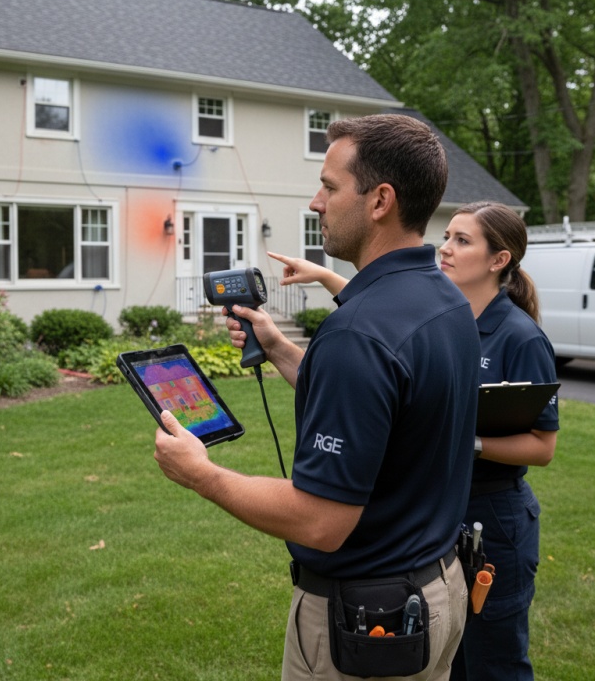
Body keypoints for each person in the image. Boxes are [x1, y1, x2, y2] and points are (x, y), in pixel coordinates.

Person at [153, 114, 481, 681]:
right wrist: (279, 348)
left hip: (368, 623)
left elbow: (321, 521)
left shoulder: (359, 333)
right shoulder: (443, 300)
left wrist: (200, 474)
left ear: (380, 200)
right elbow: (381, 414)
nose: (315, 202)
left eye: (329, 187)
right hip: (437, 587)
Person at [273, 201, 559, 680]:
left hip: (493, 514)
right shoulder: (451, 312)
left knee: (492, 660)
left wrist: (463, 440)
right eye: (447, 236)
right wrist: (324, 278)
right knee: (443, 651)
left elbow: (544, 447)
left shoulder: (519, 337)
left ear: (499, 260)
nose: (444, 249)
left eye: (462, 241)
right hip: (441, 511)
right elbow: (389, 328)